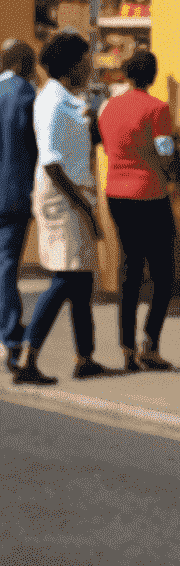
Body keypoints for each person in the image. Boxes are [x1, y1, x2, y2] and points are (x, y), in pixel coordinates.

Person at [13, 32, 106, 385]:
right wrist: (84, 207)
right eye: (85, 60)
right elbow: (52, 161)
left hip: (71, 194)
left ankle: (85, 357)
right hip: (62, 198)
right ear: (71, 65)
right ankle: (27, 359)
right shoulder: (52, 100)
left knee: (80, 279)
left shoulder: (66, 98)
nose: (90, 66)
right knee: (66, 277)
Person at [98, 49, 179, 372]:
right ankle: (151, 345)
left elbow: (107, 145)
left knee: (130, 271)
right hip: (150, 194)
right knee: (163, 273)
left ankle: (126, 348)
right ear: (153, 76)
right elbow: (166, 152)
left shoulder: (109, 108)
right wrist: (173, 175)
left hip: (116, 193)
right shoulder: (157, 109)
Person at [0, 38, 39, 375]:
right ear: (26, 64)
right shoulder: (25, 94)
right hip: (13, 194)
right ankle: (11, 337)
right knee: (7, 265)